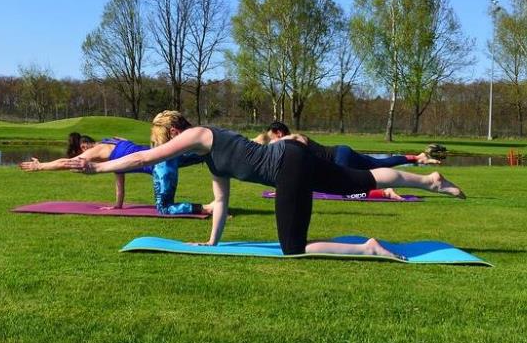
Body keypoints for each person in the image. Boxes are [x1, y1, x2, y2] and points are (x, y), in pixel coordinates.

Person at [66, 111, 466, 260]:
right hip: (292, 160)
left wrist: (97, 170)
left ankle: (369, 248)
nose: (164, 146)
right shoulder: (212, 153)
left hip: (287, 165)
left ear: (173, 130)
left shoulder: (199, 134)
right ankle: (430, 179)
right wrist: (213, 242)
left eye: (165, 138)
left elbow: (142, 159)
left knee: (293, 247)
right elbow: (220, 200)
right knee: (358, 182)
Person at [20, 136, 210, 215]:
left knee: (164, 208)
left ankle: (209, 208)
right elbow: (120, 180)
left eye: (84, 149)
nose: (83, 153)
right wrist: (118, 205)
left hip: (161, 166)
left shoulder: (97, 150)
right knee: (206, 152)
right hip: (166, 153)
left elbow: (66, 163)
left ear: (88, 145)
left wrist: (40, 166)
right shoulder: (116, 145)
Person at [256, 121, 440, 169]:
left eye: (273, 137)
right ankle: (418, 158)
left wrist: (274, 143)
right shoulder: (289, 144)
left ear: (279, 133)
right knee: (378, 164)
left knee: (362, 178)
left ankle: (386, 190)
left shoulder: (294, 138)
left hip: (339, 159)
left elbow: (299, 141)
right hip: (341, 152)